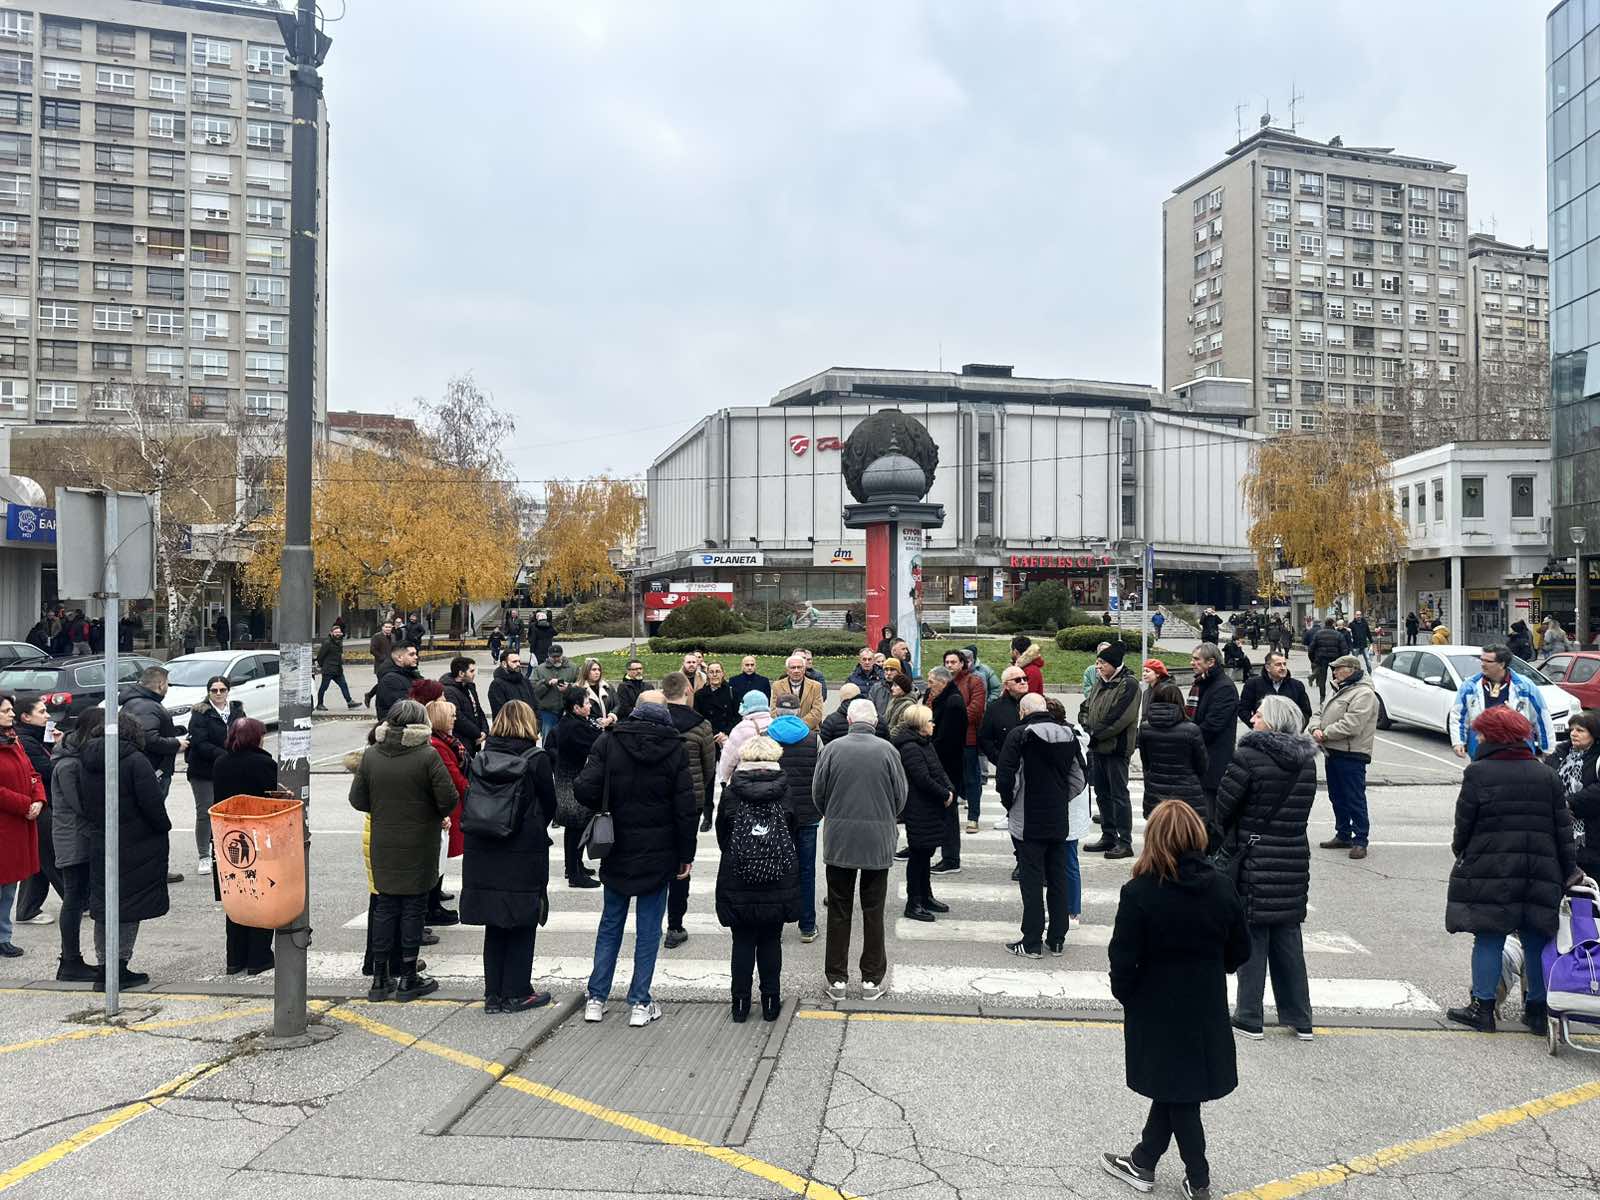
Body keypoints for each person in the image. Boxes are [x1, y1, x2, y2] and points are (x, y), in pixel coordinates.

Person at [1101, 800, 1250, 1198]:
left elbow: (1122, 958)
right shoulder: (1220, 885)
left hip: (1156, 1007)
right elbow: (1241, 950)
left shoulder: (1140, 892)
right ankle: (1142, 1159)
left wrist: (1128, 995)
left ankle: (1198, 1177)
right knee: (1177, 1086)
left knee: (1176, 1090)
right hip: (1203, 1004)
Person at [1445, 707, 1582, 1033]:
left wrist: (1462, 852)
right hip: (1540, 867)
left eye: (1480, 733)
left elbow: (1464, 825)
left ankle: (1483, 1008)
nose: (1476, 737)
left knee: (1489, 936)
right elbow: (1563, 829)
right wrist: (1569, 869)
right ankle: (1536, 1011)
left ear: (1493, 736)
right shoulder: (1544, 773)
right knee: (1535, 937)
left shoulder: (1479, 773)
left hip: (1492, 866)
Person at [576, 691, 698, 1028]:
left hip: (616, 845)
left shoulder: (609, 741)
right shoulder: (674, 748)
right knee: (648, 929)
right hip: (659, 851)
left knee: (611, 923)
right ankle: (640, 1002)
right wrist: (686, 855)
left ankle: (597, 998)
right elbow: (686, 808)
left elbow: (584, 789)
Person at [1211, 695, 1318, 1041]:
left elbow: (1223, 809)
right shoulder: (1306, 762)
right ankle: (1300, 1018)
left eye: (1258, 713)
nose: (1252, 718)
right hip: (1293, 856)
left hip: (1254, 857)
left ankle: (1248, 1016)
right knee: (1288, 938)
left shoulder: (1249, 757)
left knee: (1253, 937)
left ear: (1271, 721)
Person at [348, 699, 459, 1002]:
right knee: (413, 907)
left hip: (384, 842)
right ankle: (409, 976)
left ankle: (380, 978)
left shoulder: (371, 756)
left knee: (385, 906)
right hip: (420, 841)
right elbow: (448, 799)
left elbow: (358, 799)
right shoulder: (427, 756)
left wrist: (385, 809)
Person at [460, 699, 559, 1015]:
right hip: (521, 851)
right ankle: (517, 992)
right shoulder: (536, 758)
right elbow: (550, 804)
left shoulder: (483, 757)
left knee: (495, 923)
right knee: (521, 921)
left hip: (484, 851)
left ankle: (494, 995)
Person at [816, 699, 906, 1001]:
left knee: (839, 909)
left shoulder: (831, 749)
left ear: (849, 720)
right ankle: (871, 979)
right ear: (876, 723)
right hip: (877, 841)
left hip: (840, 840)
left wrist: (835, 813)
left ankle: (837, 979)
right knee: (873, 910)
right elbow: (900, 796)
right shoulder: (888, 751)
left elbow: (819, 794)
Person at [715, 735, 800, 1022]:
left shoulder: (731, 793)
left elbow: (722, 837)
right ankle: (770, 1003)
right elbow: (793, 833)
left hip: (739, 877)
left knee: (742, 940)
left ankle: (739, 1004)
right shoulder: (785, 791)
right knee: (770, 940)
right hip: (776, 878)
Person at [82, 709, 166, 990]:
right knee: (130, 907)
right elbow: (152, 804)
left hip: (101, 839)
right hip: (136, 843)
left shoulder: (88, 758)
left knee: (105, 906)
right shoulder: (134, 760)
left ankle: (105, 966)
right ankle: (119, 967)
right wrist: (162, 826)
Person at [996, 692, 1084, 957]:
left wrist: (1010, 803)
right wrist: (1060, 796)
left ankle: (1031, 940)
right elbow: (1079, 777)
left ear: (1023, 712)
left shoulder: (1020, 735)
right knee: (1057, 877)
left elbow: (1006, 777)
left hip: (1028, 818)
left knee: (1032, 879)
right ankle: (1057, 938)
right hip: (1058, 817)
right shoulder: (1068, 734)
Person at [210, 718, 277, 976]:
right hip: (257, 838)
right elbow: (271, 799)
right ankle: (258, 957)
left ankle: (235, 958)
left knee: (236, 898)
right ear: (255, 737)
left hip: (228, 837)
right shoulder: (263, 763)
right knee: (261, 897)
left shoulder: (221, 762)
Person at [661, 670, 717, 944]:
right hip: (690, 804)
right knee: (683, 862)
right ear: (687, 692)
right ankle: (675, 924)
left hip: (657, 800)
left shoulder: (655, 722)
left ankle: (652, 917)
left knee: (658, 856)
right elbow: (709, 771)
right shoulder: (702, 726)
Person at [1310, 655, 1380, 861]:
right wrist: (1315, 727)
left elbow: (1353, 724)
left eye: (1338, 668)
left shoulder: (1364, 693)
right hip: (1333, 751)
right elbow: (1319, 711)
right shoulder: (1338, 689)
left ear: (1351, 669)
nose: (1334, 672)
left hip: (1352, 754)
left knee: (1354, 798)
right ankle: (1343, 833)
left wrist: (1325, 733)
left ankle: (1360, 839)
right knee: (1337, 796)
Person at [893, 702, 955, 923]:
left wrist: (950, 789)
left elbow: (937, 769)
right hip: (920, 808)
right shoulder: (910, 747)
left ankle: (926, 895)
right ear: (920, 724)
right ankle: (914, 901)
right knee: (918, 855)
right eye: (929, 721)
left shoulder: (924, 743)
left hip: (931, 807)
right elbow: (922, 778)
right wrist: (944, 794)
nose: (933, 724)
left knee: (926, 853)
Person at [47, 711, 97, 979]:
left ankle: (72, 959)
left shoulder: (75, 758)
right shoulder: (68, 764)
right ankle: (69, 960)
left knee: (77, 897)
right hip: (72, 839)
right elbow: (79, 804)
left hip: (78, 836)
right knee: (73, 898)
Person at [768, 693, 821, 942]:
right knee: (806, 869)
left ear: (777, 711)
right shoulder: (814, 739)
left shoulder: (766, 738)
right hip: (807, 814)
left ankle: (775, 926)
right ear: (799, 711)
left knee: (775, 868)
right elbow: (821, 777)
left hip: (775, 814)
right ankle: (807, 925)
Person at [1081, 642, 1139, 859]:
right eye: (1097, 663)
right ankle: (1108, 835)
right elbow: (1086, 707)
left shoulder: (1129, 684)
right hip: (1097, 747)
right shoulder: (1100, 682)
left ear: (1114, 664)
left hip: (1116, 749)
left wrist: (1095, 734)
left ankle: (1125, 842)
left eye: (1102, 663)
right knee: (1102, 794)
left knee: (1119, 795)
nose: (1098, 667)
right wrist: (1086, 727)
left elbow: (1120, 717)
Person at [1449, 644, 1555, 759]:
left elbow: (1542, 717)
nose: (1482, 664)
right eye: (1482, 659)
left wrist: (1547, 749)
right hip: (1481, 750)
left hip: (1517, 750)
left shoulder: (1525, 686)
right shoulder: (1469, 686)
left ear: (1502, 664)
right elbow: (1458, 716)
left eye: (1488, 661)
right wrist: (1458, 742)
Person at [0, 695, 46, 959]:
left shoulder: (13, 740)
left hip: (18, 824)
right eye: (6, 711)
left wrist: (39, 798)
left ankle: (4, 937)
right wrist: (24, 803)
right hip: (7, 823)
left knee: (9, 886)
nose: (11, 715)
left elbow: (32, 773)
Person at [185, 675, 245, 874]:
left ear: (228, 691)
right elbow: (200, 743)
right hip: (204, 770)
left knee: (228, 811)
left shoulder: (237, 710)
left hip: (229, 769)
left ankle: (224, 849)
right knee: (205, 812)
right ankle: (204, 855)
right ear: (208, 692)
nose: (218, 694)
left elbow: (243, 734)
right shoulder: (200, 713)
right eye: (214, 690)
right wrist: (225, 755)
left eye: (222, 690)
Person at [547, 689, 602, 889]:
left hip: (570, 779)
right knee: (576, 828)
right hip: (571, 782)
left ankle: (574, 866)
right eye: (587, 703)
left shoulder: (572, 721)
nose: (590, 706)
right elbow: (596, 743)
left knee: (575, 828)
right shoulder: (574, 726)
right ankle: (574, 874)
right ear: (576, 707)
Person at [11, 697, 58, 926]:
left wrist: (54, 743)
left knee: (40, 859)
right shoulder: (23, 741)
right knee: (52, 855)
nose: (47, 715)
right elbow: (47, 770)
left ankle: (27, 908)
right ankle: (79, 900)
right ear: (26, 717)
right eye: (42, 711)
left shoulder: (34, 738)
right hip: (36, 806)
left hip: (42, 802)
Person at [425, 698, 468, 925]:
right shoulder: (438, 744)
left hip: (450, 805)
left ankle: (434, 902)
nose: (454, 718)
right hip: (446, 806)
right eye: (451, 715)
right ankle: (432, 907)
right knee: (438, 857)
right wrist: (469, 791)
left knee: (441, 857)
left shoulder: (444, 740)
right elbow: (452, 775)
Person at [1138, 680, 1207, 817]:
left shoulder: (1145, 728)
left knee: (1159, 833)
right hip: (1187, 793)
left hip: (1156, 791)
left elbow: (1146, 762)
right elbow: (1202, 765)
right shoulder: (1191, 730)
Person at [1546, 711, 1600, 884]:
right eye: (1572, 729)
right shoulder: (1560, 754)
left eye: (1580, 730)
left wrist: (1568, 803)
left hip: (1589, 835)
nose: (1573, 733)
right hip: (1556, 830)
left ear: (1594, 734)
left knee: (1584, 885)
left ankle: (1583, 912)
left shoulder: (1596, 758)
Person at [121, 665, 189, 801]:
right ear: (160, 684)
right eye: (167, 684)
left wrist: (172, 731)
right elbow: (148, 738)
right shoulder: (147, 706)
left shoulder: (138, 703)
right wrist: (175, 744)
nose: (168, 688)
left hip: (145, 769)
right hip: (153, 771)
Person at [1187, 643, 1239, 820]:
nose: (1191, 663)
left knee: (1208, 816)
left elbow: (1212, 726)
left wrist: (1186, 739)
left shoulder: (1223, 687)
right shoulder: (1201, 683)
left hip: (1213, 762)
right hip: (1199, 758)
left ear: (1211, 662)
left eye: (1196, 659)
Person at [925, 666, 967, 874]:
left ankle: (951, 858)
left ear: (943, 682)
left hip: (947, 768)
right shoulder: (944, 698)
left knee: (949, 813)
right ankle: (935, 851)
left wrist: (928, 753)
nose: (929, 686)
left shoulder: (953, 702)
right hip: (942, 765)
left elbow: (947, 740)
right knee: (939, 812)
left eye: (931, 682)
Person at [943, 649, 987, 835]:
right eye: (947, 662)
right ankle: (947, 817)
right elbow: (931, 704)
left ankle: (973, 817)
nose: (950, 665)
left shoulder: (973, 681)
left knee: (972, 779)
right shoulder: (941, 681)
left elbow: (975, 709)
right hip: (945, 739)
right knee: (948, 780)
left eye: (953, 662)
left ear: (962, 664)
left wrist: (951, 721)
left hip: (967, 738)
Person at [1238, 651, 1311, 731]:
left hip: (1290, 736)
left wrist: (1296, 729)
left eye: (1284, 664)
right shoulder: (1253, 684)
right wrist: (1257, 726)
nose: (1283, 667)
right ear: (1268, 668)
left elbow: (1306, 712)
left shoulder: (1297, 685)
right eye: (1278, 664)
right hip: (1263, 736)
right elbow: (1243, 710)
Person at [719, 690, 774, 786]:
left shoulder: (741, 728)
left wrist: (724, 778)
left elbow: (729, 758)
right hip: (772, 777)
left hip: (746, 779)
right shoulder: (774, 724)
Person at [440, 656, 487, 755]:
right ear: (461, 673)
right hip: (462, 741)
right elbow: (458, 718)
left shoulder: (470, 686)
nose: (474, 674)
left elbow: (478, 710)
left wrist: (485, 731)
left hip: (474, 740)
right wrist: (477, 734)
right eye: (471, 671)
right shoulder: (448, 691)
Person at [531, 643, 578, 738]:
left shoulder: (573, 668)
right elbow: (533, 690)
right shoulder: (540, 669)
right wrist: (547, 684)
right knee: (548, 737)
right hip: (548, 710)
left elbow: (580, 686)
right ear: (548, 656)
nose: (556, 659)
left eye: (558, 656)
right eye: (553, 657)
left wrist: (568, 687)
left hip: (567, 711)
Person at [772, 653, 824, 730]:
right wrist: (787, 726)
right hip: (784, 729)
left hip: (808, 730)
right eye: (793, 667)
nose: (796, 670)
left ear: (804, 669)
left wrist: (799, 726)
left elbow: (817, 711)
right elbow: (773, 711)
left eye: (799, 667)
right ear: (787, 670)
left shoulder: (816, 686)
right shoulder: (777, 685)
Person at [374, 643, 424, 722]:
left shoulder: (409, 673)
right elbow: (405, 709)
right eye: (411, 655)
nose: (416, 657)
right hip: (398, 729)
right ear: (399, 657)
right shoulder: (391, 680)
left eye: (416, 654)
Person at [315, 624, 358, 711]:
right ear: (331, 633)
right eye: (336, 632)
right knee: (324, 687)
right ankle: (319, 704)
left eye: (339, 632)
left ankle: (350, 702)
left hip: (338, 670)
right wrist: (323, 666)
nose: (338, 634)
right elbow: (320, 656)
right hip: (328, 670)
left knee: (344, 685)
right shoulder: (327, 643)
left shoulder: (339, 642)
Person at [694, 661, 738, 740]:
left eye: (717, 672)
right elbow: (699, 718)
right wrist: (715, 733)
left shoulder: (732, 692)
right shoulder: (699, 695)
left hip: (729, 737)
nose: (714, 675)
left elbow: (737, 716)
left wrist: (726, 733)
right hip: (709, 737)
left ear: (723, 673)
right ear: (707, 674)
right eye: (711, 672)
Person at [1306, 619, 1346, 704]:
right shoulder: (1338, 634)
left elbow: (1311, 649)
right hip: (1335, 659)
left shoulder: (1318, 634)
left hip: (1321, 659)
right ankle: (1336, 694)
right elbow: (1344, 649)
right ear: (1333, 624)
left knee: (1322, 679)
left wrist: (1313, 660)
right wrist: (1342, 661)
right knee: (1336, 677)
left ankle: (1322, 697)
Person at [488, 650, 537, 718]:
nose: (518, 664)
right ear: (504, 664)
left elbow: (535, 706)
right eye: (514, 662)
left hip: (530, 726)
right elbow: (500, 713)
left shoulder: (525, 681)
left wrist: (536, 725)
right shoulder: (497, 685)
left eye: (519, 661)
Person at [577, 658, 618, 723]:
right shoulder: (578, 689)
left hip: (610, 726)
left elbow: (617, 705)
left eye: (599, 670)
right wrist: (597, 721)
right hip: (589, 727)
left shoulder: (608, 687)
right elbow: (578, 711)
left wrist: (610, 718)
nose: (597, 672)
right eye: (594, 669)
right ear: (586, 671)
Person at [883, 671, 916, 735]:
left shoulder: (908, 705)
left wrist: (887, 737)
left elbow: (902, 726)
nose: (892, 688)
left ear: (903, 688)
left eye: (895, 686)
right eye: (892, 685)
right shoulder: (893, 700)